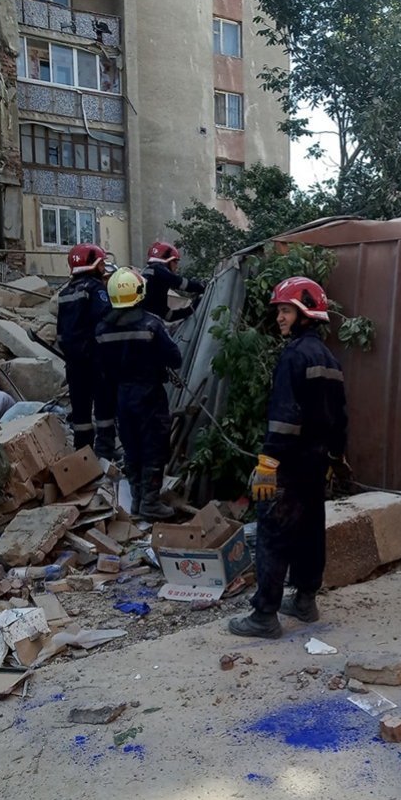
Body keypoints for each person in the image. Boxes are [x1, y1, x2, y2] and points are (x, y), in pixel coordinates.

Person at [229, 276, 349, 639]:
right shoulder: (329, 359)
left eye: (285, 311)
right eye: (280, 311)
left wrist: (268, 463)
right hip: (314, 465)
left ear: (305, 314)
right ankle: (304, 601)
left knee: (273, 534)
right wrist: (334, 458)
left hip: (289, 465)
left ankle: (264, 615)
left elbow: (285, 417)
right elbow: (340, 418)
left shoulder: (294, 356)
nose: (279, 318)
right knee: (310, 532)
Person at [95, 267, 182, 520]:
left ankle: (136, 501)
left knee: (131, 447)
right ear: (139, 292)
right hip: (149, 396)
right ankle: (151, 502)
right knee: (154, 447)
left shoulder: (102, 329)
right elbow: (175, 359)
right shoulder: (151, 324)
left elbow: (101, 368)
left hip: (121, 396)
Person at [56, 242, 117, 458]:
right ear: (93, 264)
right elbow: (106, 319)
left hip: (74, 363)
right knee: (104, 409)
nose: (104, 268)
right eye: (102, 263)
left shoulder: (65, 293)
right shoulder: (96, 289)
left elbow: (61, 332)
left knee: (81, 413)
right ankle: (105, 454)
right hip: (96, 361)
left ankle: (83, 456)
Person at [141, 241, 206, 323]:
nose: (176, 266)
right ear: (167, 260)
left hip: (143, 321)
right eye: (175, 262)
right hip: (148, 324)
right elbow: (180, 283)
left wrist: (190, 309)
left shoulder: (149, 274)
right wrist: (201, 286)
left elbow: (168, 316)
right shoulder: (158, 270)